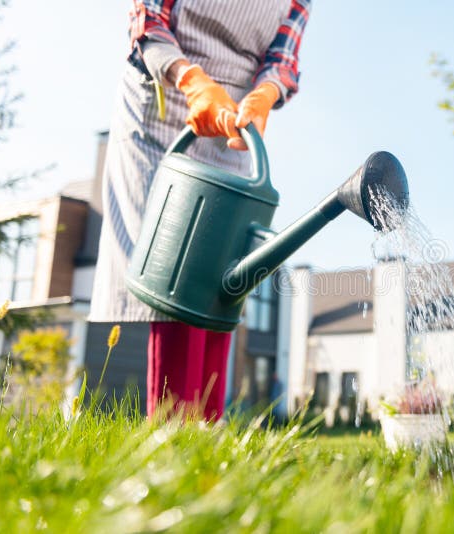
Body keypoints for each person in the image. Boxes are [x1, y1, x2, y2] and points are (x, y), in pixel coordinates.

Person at [90, 0, 311, 421]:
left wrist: (265, 94)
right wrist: (193, 81)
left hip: (235, 122)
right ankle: (173, 432)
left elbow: (283, 59)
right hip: (163, 102)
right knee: (172, 270)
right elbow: (147, 19)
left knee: (219, 279)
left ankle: (205, 431)